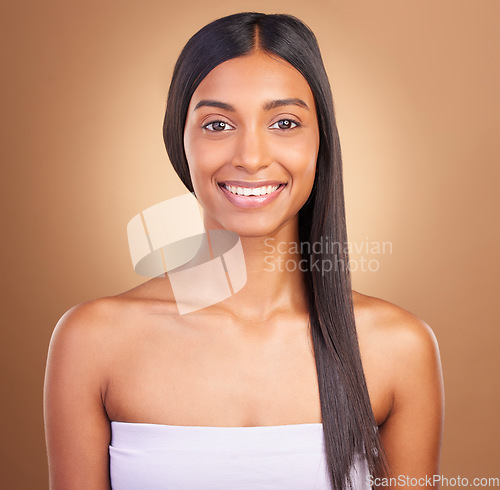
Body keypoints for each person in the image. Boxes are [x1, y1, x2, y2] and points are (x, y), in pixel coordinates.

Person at [44, 12, 444, 490]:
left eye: (284, 122)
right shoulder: (92, 342)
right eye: (217, 124)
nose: (251, 157)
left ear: (321, 142)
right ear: (181, 141)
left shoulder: (398, 348)